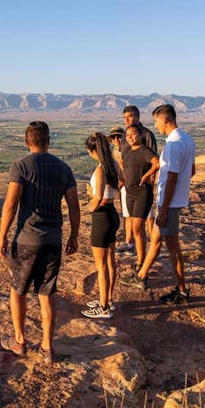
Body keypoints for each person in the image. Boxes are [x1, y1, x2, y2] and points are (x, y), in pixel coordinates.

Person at [0, 121, 81, 363]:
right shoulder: (63, 168)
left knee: (18, 291)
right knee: (47, 294)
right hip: (53, 240)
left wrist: (2, 236)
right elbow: (74, 206)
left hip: (26, 240)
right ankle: (47, 348)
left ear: (27, 142)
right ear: (48, 141)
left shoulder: (21, 166)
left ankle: (20, 341)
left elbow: (11, 204)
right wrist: (74, 235)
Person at [127, 104, 196, 303]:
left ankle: (182, 291)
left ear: (165, 119)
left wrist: (164, 209)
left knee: (174, 249)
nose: (155, 125)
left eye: (156, 120)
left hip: (170, 205)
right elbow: (191, 171)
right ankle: (140, 277)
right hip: (174, 201)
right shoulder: (187, 139)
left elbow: (173, 178)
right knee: (155, 239)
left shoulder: (173, 144)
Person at [81, 133, 123, 319]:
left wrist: (92, 206)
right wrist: (110, 195)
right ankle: (108, 299)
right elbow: (121, 181)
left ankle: (103, 306)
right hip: (112, 213)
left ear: (94, 151)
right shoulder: (113, 164)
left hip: (102, 216)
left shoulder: (100, 170)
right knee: (110, 261)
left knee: (101, 265)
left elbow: (97, 196)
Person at [117, 106, 158, 257]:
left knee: (145, 220)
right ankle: (130, 244)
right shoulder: (124, 136)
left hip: (143, 188)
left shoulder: (146, 134)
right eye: (124, 117)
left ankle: (149, 250)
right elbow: (123, 159)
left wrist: (148, 178)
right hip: (129, 187)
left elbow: (154, 160)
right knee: (130, 219)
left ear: (138, 117)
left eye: (129, 117)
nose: (126, 120)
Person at [108, 126, 133, 253]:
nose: (116, 139)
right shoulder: (114, 151)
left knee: (129, 214)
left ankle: (130, 242)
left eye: (119, 136)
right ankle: (129, 240)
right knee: (126, 214)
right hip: (122, 185)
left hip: (128, 185)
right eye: (113, 137)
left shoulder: (128, 150)